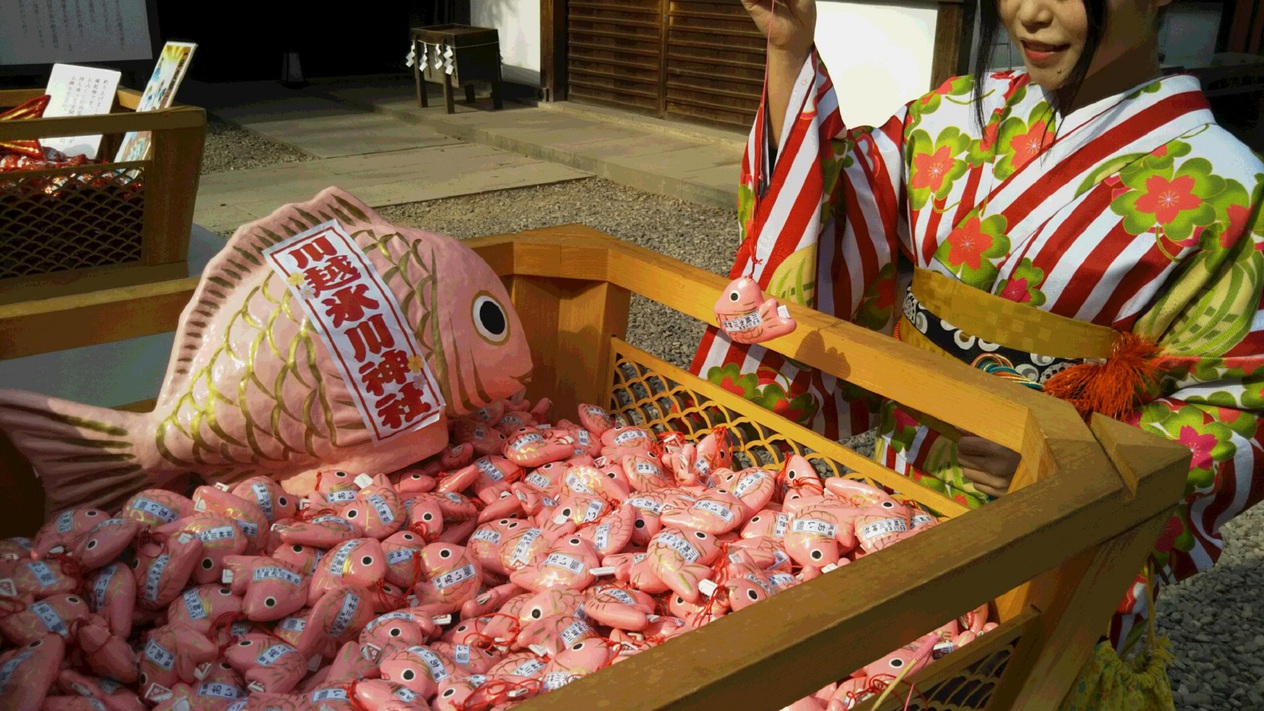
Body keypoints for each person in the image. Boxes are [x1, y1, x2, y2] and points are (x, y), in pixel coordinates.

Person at [692, 0, 1264, 656]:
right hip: (890, 497)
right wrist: (790, 50)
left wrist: (1069, 462)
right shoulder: (956, 117)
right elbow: (831, 222)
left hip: (1052, 533)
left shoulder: (1227, 190)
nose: (1030, 13)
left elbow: (1231, 411)